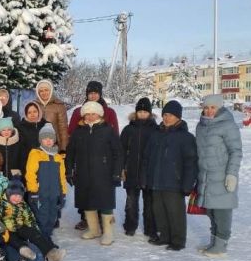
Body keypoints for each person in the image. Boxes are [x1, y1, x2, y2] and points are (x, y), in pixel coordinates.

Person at [142, 100, 198, 252]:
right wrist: (145, 178)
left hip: (175, 182)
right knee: (159, 211)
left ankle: (178, 240)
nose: (167, 118)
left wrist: (187, 184)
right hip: (156, 181)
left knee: (175, 212)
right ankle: (164, 236)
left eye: (171, 115)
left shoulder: (186, 137)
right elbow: (147, 158)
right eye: (165, 115)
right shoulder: (155, 135)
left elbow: (190, 163)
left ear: (178, 117)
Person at [65, 101, 122, 246]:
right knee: (87, 200)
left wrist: (116, 173)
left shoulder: (108, 130)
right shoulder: (78, 131)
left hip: (104, 172)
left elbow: (118, 153)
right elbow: (70, 153)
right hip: (83, 172)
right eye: (87, 114)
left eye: (93, 113)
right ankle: (94, 229)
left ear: (100, 114)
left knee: (105, 202)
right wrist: (69, 171)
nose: (90, 116)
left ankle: (108, 233)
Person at [195, 94, 242, 257]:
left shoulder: (228, 125)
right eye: (206, 107)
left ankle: (221, 245)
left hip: (222, 176)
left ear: (219, 107)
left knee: (222, 211)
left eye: (212, 107)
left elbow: (236, 151)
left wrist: (232, 174)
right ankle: (214, 241)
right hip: (206, 177)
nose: (208, 111)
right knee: (210, 211)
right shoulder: (200, 126)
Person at [0, 178, 65, 261]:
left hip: (20, 227)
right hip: (7, 231)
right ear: (8, 193)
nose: (17, 198)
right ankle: (24, 250)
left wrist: (36, 232)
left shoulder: (23, 205)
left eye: (19, 196)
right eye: (14, 195)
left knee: (33, 232)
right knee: (11, 238)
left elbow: (30, 219)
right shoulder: (1, 204)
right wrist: (0, 230)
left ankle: (52, 253)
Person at [120, 97, 159, 241]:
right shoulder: (128, 129)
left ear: (150, 113)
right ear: (136, 113)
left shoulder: (156, 130)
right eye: (140, 111)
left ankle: (150, 228)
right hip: (131, 171)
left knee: (150, 203)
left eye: (145, 111)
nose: (142, 114)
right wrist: (121, 168)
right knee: (131, 201)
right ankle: (130, 226)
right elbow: (121, 150)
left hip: (149, 172)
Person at [25, 123, 68, 243]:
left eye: (51, 138)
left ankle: (46, 237)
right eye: (45, 138)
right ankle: (42, 241)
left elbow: (62, 177)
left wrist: (63, 193)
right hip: (40, 194)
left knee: (52, 218)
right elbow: (30, 173)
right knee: (41, 218)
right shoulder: (36, 153)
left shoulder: (58, 157)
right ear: (40, 140)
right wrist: (33, 191)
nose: (48, 141)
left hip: (54, 194)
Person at [34, 79, 69, 153]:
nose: (44, 93)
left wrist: (63, 148)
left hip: (54, 145)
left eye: (46, 90)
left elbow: (63, 129)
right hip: (37, 145)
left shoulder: (59, 105)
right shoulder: (34, 105)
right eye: (41, 91)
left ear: (51, 90)